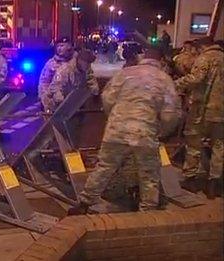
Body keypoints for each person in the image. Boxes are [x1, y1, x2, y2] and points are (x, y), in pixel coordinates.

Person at [69, 48, 181, 213]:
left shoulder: (125, 73)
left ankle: (84, 203)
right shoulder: (164, 80)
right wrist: (162, 131)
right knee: (148, 173)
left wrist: (115, 118)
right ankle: (147, 210)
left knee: (105, 167)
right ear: (161, 62)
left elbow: (107, 98)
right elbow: (170, 113)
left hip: (116, 130)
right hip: (144, 133)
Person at [175, 37, 224, 198]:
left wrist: (175, 84)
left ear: (203, 46)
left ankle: (191, 179)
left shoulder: (204, 58)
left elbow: (196, 79)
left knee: (194, 143)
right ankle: (214, 183)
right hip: (221, 112)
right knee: (219, 146)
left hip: (202, 110)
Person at [38, 37, 74, 111]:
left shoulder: (75, 62)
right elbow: (44, 82)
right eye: (58, 46)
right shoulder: (51, 64)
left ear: (69, 47)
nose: (59, 48)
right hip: (55, 104)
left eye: (62, 46)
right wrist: (45, 99)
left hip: (72, 102)